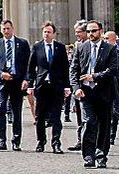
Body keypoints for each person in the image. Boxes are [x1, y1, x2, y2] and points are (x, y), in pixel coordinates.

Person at [70, 19, 119, 168]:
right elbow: (73, 69)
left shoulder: (110, 49)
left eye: (94, 31)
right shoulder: (80, 48)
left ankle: (101, 154)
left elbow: (113, 70)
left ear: (100, 31)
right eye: (89, 31)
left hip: (104, 93)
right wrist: (75, 88)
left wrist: (95, 76)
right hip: (86, 93)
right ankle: (88, 155)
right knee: (89, 122)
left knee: (104, 125)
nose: (91, 34)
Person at [26, 21, 70, 153]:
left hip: (56, 86)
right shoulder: (37, 47)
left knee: (56, 116)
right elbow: (31, 67)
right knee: (40, 116)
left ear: (54, 34)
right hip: (42, 86)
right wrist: (30, 84)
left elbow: (65, 68)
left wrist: (66, 86)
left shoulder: (60, 48)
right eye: (45, 32)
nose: (46, 34)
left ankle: (56, 142)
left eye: (49, 32)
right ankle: (41, 141)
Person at [0, 19, 29, 151]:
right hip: (1, 82)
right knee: (0, 109)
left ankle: (16, 140)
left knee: (16, 112)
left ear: (12, 29)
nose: (6, 31)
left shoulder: (22, 44)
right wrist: (1, 74)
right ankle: (1, 141)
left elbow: (28, 64)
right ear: (1, 30)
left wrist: (26, 79)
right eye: (4, 29)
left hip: (17, 81)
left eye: (8, 28)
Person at [69, 20, 90, 152]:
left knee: (89, 116)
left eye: (79, 32)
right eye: (75, 32)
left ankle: (89, 140)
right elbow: (73, 68)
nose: (76, 34)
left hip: (91, 85)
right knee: (79, 114)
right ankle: (80, 139)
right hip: (79, 86)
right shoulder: (78, 46)